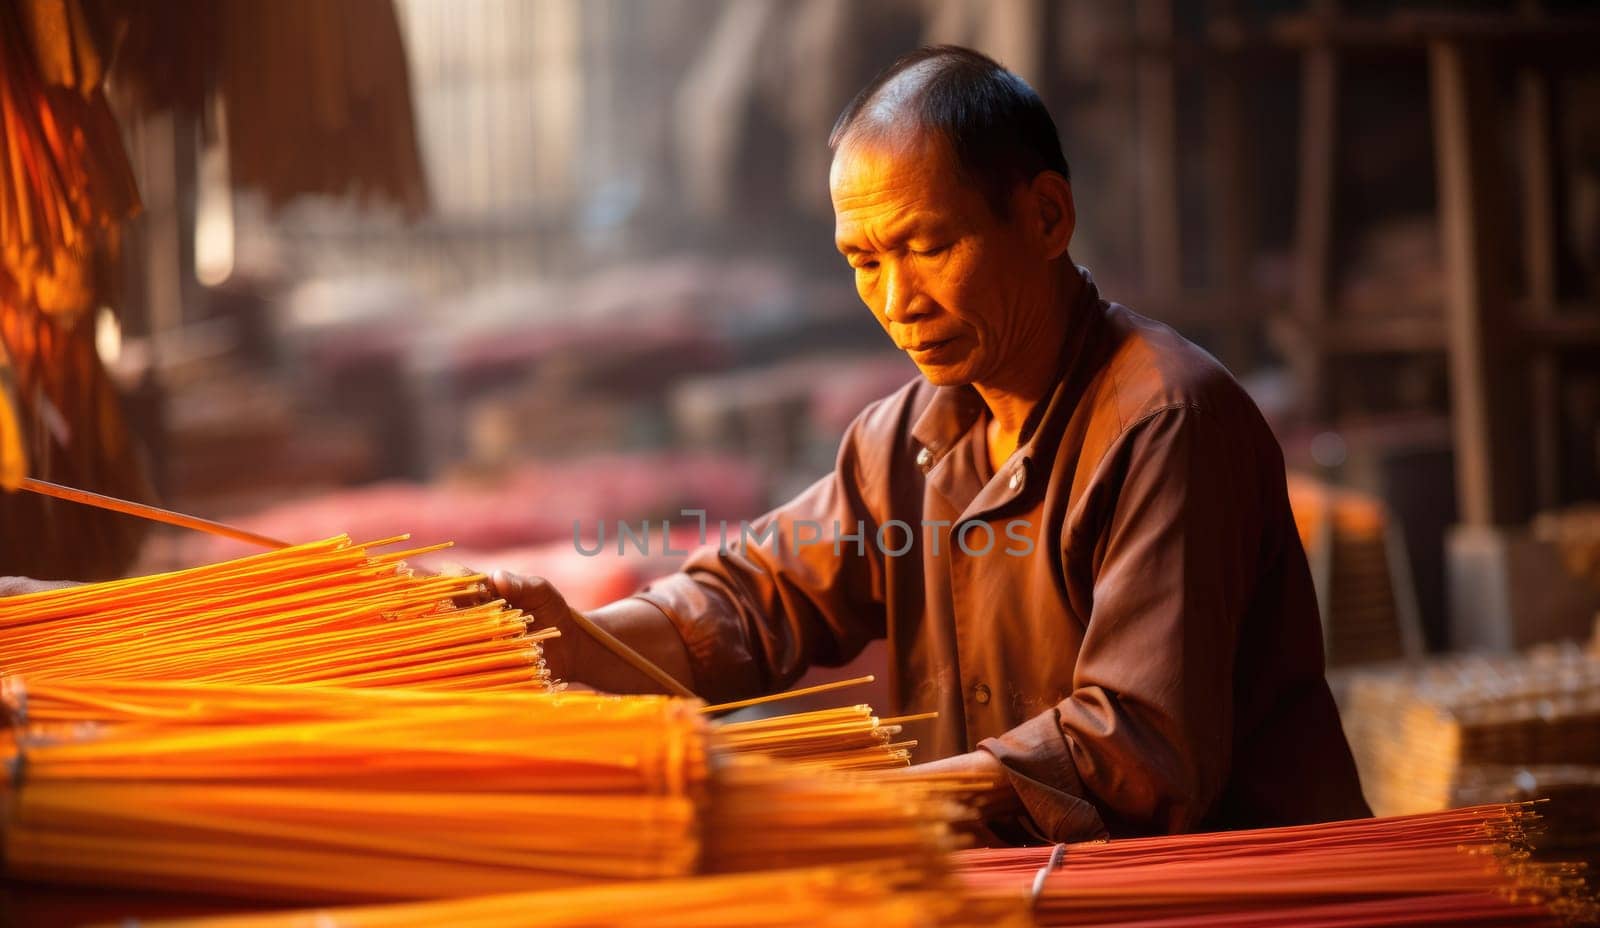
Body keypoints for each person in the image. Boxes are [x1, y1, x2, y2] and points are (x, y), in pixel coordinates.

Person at [492, 45, 1371, 842]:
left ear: (1047, 217)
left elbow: (1138, 745)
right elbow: (753, 599)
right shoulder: (906, 436)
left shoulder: (1165, 422)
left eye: (929, 245)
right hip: (1031, 900)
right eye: (864, 261)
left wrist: (874, 804)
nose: (898, 300)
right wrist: (571, 638)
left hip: (1218, 910)